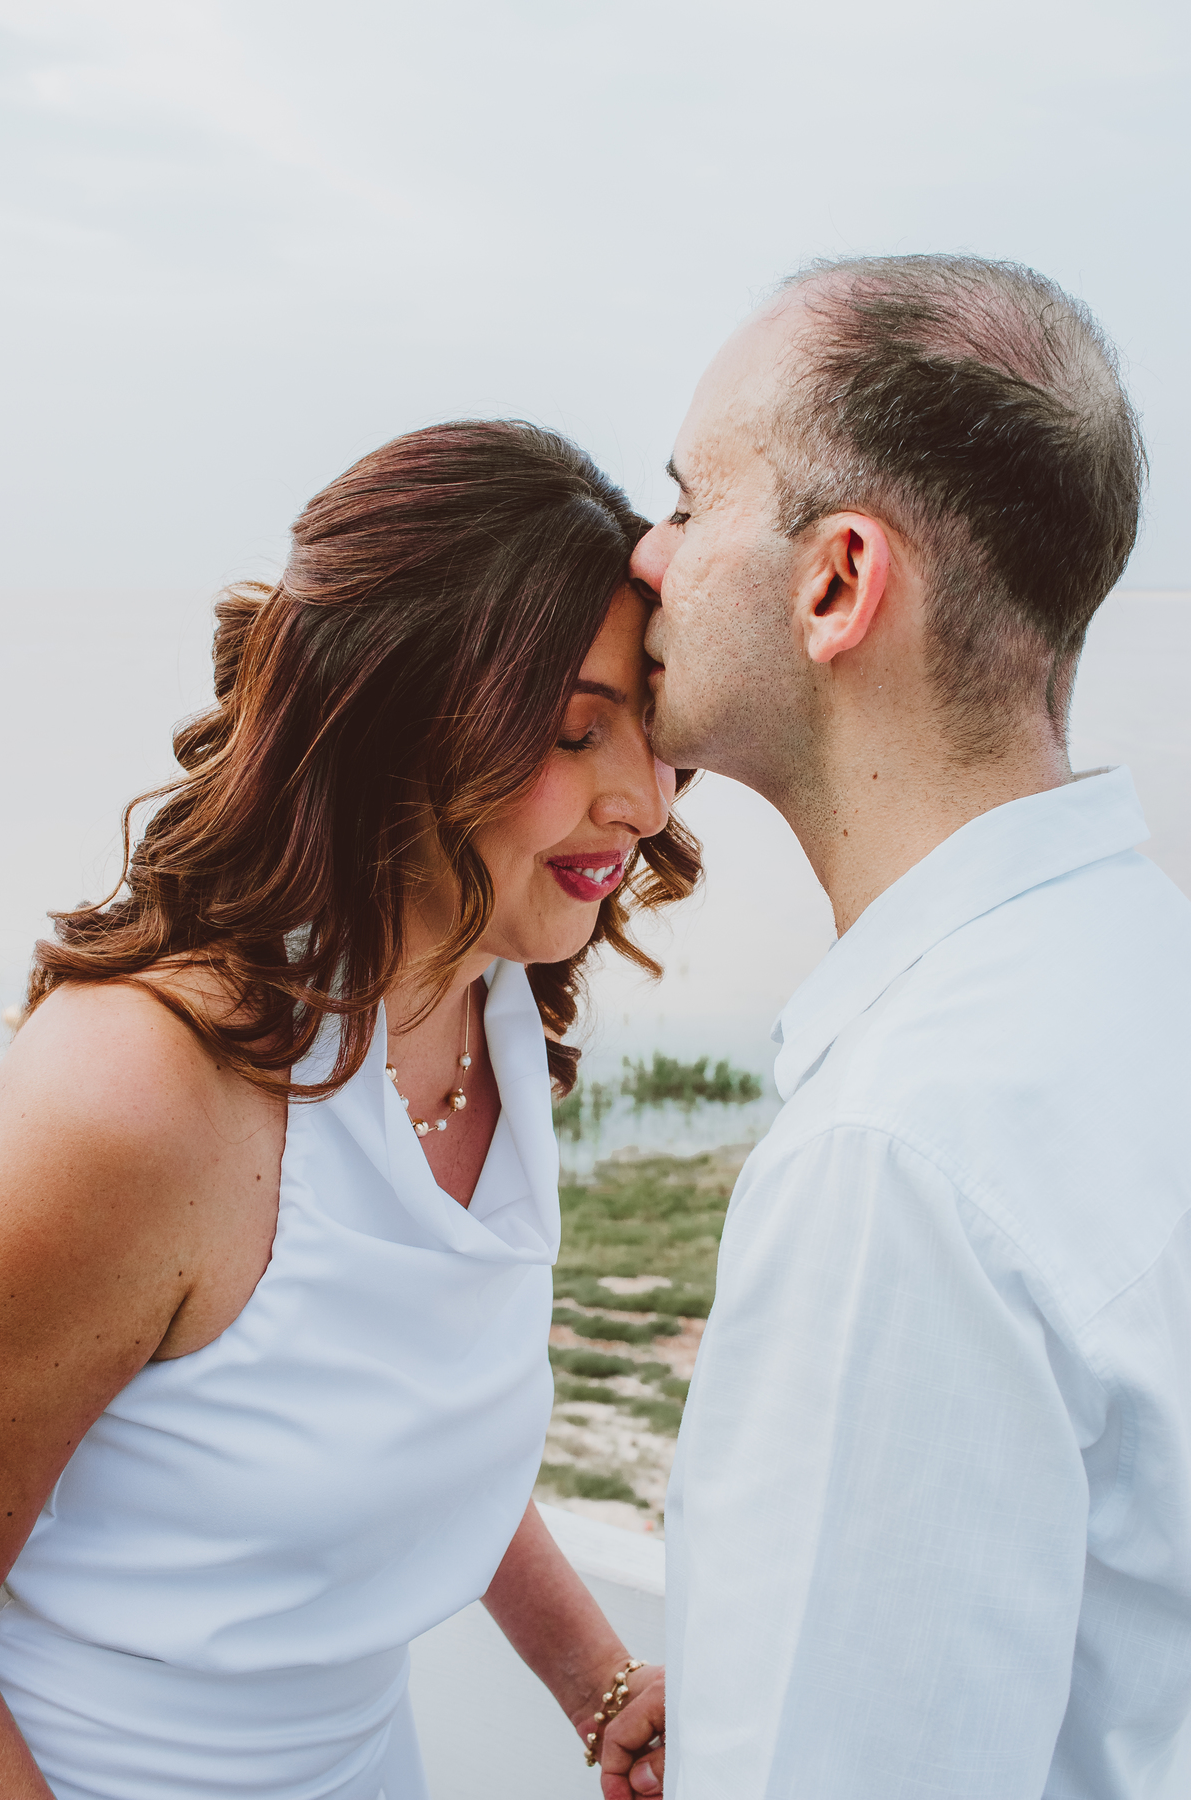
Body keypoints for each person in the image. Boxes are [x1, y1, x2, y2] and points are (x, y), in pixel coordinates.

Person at [0, 420, 679, 1800]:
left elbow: (406, 1421)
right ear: (394, 723)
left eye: (659, 736)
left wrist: (599, 1685)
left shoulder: (494, 1007)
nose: (647, 801)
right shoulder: (133, 1096)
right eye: (573, 730)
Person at [630, 255, 1191, 1798]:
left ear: (838, 583)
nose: (645, 554)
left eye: (686, 501)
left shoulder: (899, 1159)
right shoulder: (1144, 969)